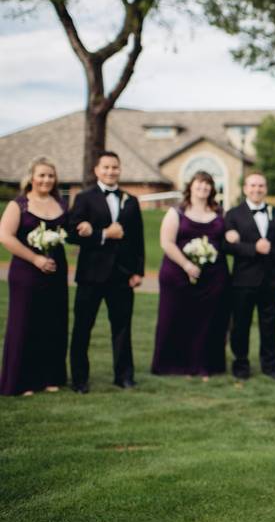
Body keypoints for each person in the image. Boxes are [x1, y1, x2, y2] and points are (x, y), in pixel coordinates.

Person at [67, 151, 145, 393]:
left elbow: (137, 240)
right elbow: (70, 234)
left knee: (122, 328)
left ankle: (124, 376)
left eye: (115, 167)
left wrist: (137, 271)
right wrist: (102, 234)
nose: (111, 171)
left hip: (122, 276)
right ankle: (80, 379)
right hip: (91, 275)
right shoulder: (84, 198)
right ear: (96, 170)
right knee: (83, 327)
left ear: (120, 170)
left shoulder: (130, 200)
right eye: (106, 167)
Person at [0, 157, 69, 396]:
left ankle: (50, 377)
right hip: (26, 272)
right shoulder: (18, 205)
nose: (46, 180)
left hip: (56, 272)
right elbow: (5, 237)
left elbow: (69, 231)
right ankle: (21, 381)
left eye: (50, 175)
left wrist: (85, 229)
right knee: (24, 323)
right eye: (41, 175)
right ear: (31, 177)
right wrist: (36, 259)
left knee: (53, 323)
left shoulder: (60, 204)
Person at [151, 171, 230, 378]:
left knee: (208, 322)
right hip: (177, 276)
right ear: (191, 187)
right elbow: (166, 242)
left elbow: (226, 238)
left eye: (207, 184)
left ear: (212, 189)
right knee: (177, 319)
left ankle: (205, 365)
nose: (203, 188)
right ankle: (174, 365)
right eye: (199, 184)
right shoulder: (176, 212)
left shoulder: (219, 212)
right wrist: (187, 265)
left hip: (213, 278)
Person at [223, 172, 275, 380]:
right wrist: (253, 248)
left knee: (269, 326)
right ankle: (241, 365)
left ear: (266, 188)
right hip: (243, 281)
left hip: (272, 280)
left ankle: (270, 367)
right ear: (245, 188)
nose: (257, 189)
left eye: (261, 186)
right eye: (253, 185)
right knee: (240, 326)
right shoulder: (233, 215)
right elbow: (227, 246)